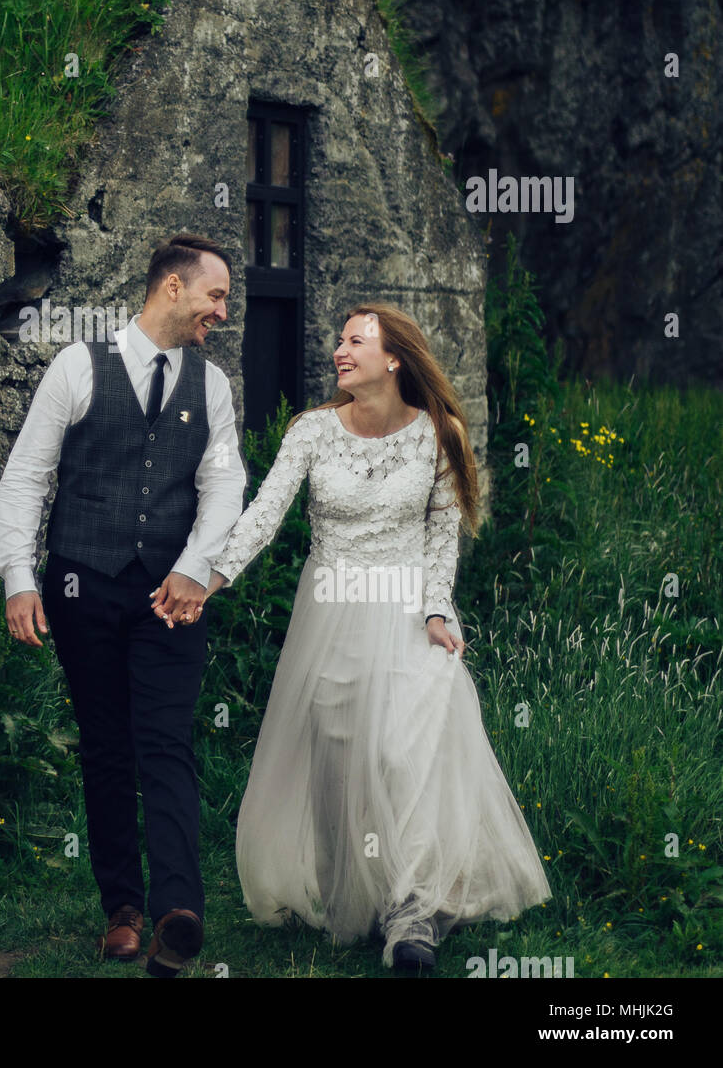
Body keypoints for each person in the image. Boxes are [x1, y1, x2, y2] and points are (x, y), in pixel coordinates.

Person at [203, 303, 551, 972]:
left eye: (355, 340)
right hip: (330, 609)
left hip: (406, 610)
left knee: (403, 752)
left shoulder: (438, 433)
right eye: (339, 340)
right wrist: (209, 580)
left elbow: (440, 539)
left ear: (393, 358)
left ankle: (411, 912)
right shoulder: (310, 432)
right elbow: (264, 515)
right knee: (338, 752)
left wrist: (436, 612)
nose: (340, 349)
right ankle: (351, 898)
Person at [0, 234, 245, 976]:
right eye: (215, 296)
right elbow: (28, 476)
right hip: (83, 587)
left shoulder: (215, 387)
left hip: (173, 597)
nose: (221, 312)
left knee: (166, 742)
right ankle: (123, 910)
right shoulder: (78, 366)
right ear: (172, 287)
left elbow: (224, 488)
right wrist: (18, 576)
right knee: (106, 747)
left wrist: (196, 569)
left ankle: (177, 912)